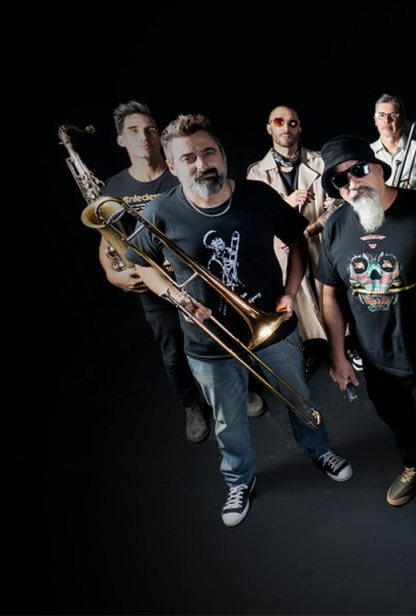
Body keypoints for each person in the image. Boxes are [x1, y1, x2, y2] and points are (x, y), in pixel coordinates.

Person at [126, 114, 353, 528]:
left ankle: (318, 450)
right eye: (189, 158)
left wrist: (289, 292)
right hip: (208, 340)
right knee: (227, 420)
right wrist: (175, 297)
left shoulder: (257, 196)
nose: (202, 164)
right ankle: (240, 479)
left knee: (299, 398)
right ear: (172, 165)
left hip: (273, 329)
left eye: (209, 152)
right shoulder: (161, 211)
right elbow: (142, 263)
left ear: (223, 155)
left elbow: (297, 241)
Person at [316, 135, 416, 556]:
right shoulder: (336, 227)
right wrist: (338, 355)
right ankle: (414, 466)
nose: (353, 183)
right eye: (340, 180)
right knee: (399, 425)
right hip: (375, 361)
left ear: (379, 168)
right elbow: (329, 294)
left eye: (359, 169)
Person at [97, 101, 210, 443]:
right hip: (152, 287)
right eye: (133, 131)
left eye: (150, 129)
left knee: (212, 337)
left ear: (160, 136)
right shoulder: (113, 188)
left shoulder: (180, 171)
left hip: (195, 276)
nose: (144, 137)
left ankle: (240, 389)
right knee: (173, 351)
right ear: (121, 140)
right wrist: (110, 273)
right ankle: (191, 404)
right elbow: (106, 241)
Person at [247, 105, 336, 376]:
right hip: (283, 249)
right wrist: (285, 203)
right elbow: (255, 218)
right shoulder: (256, 173)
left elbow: (338, 205)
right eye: (279, 121)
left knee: (330, 293)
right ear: (269, 128)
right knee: (298, 298)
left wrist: (309, 230)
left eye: (292, 122)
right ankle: (312, 348)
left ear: (300, 127)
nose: (286, 127)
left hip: (319, 242)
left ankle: (341, 345)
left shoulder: (322, 162)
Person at [371, 94, 416, 190]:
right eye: (381, 115)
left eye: (393, 115)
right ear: (375, 120)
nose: (387, 120)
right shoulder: (366, 152)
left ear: (402, 120)